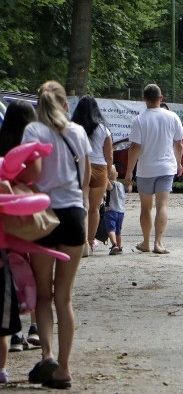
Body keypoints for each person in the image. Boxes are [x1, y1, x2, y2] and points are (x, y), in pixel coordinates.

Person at [21, 80, 91, 389]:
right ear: (65, 105)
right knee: (65, 297)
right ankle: (65, 369)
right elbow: (85, 177)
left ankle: (47, 354)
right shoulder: (77, 132)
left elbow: (33, 172)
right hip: (74, 215)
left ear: (39, 106)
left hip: (43, 217)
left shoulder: (34, 132)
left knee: (44, 294)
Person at [0, 100, 41, 372]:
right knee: (33, 273)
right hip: (30, 217)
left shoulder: (2, 145)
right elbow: (38, 178)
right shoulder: (32, 149)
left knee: (10, 276)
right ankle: (35, 327)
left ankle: (13, 333)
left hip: (6, 221)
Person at [124, 84, 183, 255]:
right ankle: (159, 243)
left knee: (146, 208)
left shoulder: (139, 120)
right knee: (163, 205)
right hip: (166, 167)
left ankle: (145, 242)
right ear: (161, 98)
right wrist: (178, 163)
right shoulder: (172, 117)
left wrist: (129, 172)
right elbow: (179, 143)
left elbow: (135, 148)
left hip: (145, 170)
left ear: (144, 99)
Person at [71, 95, 113, 256]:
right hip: (100, 168)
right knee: (95, 208)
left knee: (82, 206)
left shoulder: (74, 127)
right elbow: (109, 155)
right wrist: (108, 175)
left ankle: (81, 243)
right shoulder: (103, 128)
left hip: (80, 166)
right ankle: (90, 242)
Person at [104, 165, 126, 255]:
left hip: (111, 210)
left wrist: (104, 177)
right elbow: (128, 189)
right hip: (121, 211)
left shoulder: (111, 184)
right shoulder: (121, 185)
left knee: (111, 229)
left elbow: (109, 187)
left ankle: (114, 245)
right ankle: (119, 247)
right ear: (117, 174)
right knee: (118, 231)